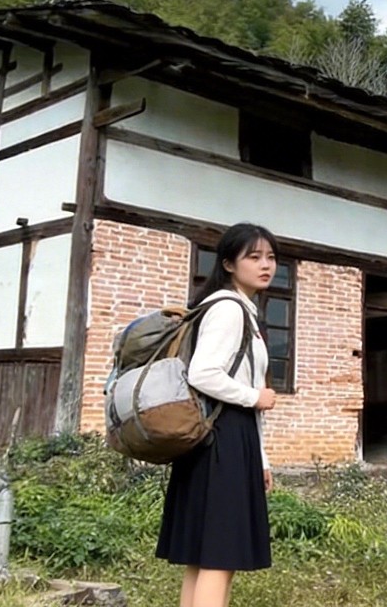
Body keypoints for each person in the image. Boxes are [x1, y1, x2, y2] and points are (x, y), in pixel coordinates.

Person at [155, 223, 280, 607]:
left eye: (271, 257)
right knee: (221, 554)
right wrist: (254, 396)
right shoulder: (228, 309)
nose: (266, 265)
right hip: (222, 438)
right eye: (254, 257)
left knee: (204, 554)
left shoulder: (236, 308)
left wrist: (261, 459)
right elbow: (204, 373)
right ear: (228, 263)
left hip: (220, 437)